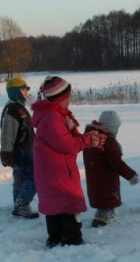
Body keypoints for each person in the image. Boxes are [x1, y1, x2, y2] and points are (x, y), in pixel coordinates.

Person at [31, 76, 106, 247]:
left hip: (55, 169)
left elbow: (70, 137)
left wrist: (88, 137)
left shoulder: (58, 115)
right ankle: (72, 240)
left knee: (56, 204)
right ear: (62, 97)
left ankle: (56, 238)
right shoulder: (52, 117)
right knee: (67, 203)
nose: (71, 98)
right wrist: (88, 141)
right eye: (69, 94)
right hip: (58, 170)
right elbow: (66, 144)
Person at [83, 110, 139, 228]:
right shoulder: (109, 142)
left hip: (93, 176)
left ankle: (105, 212)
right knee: (107, 199)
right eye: (116, 128)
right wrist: (130, 175)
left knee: (101, 197)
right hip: (106, 178)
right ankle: (100, 221)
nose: (117, 131)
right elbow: (116, 162)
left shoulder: (91, 136)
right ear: (111, 127)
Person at [0, 74, 39, 219]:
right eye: (23, 89)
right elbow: (7, 134)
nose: (26, 92)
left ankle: (18, 202)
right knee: (34, 177)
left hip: (25, 149)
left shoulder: (19, 108)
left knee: (21, 177)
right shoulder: (13, 110)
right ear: (16, 91)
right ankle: (22, 204)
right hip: (20, 150)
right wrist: (6, 152)